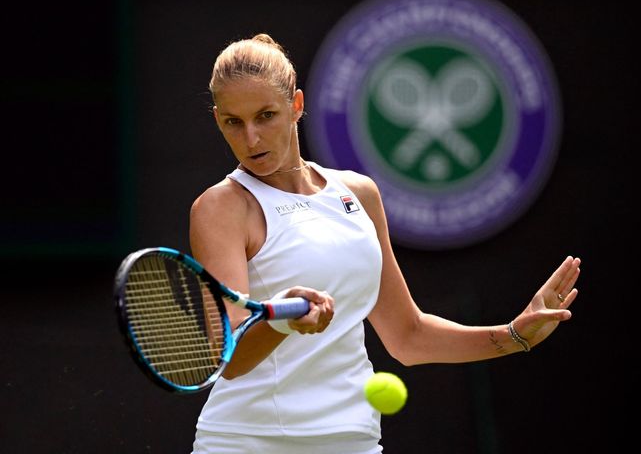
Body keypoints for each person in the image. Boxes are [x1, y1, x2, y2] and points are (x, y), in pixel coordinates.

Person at [189, 33, 581, 454]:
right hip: (247, 443)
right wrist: (283, 318)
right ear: (217, 120)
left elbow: (407, 336)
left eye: (265, 115)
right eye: (234, 122)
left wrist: (511, 335)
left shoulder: (358, 194)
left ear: (296, 106)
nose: (251, 139)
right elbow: (229, 357)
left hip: (353, 441)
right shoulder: (221, 208)